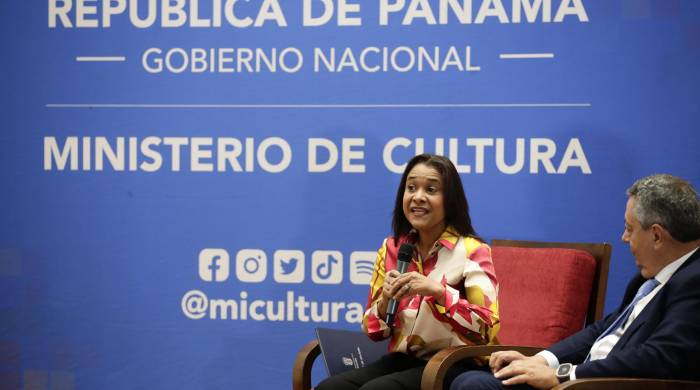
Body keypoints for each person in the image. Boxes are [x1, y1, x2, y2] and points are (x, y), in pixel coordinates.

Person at [450, 174, 700, 390]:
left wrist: (564, 374)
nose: (624, 238)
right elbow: (602, 329)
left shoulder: (694, 281)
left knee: (474, 384)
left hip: (597, 385)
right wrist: (542, 360)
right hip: (580, 380)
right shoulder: (649, 279)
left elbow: (662, 357)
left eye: (629, 228)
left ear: (656, 235)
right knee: (472, 379)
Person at [315, 154, 500, 390]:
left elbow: (486, 327)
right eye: (411, 188)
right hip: (403, 360)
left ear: (450, 200)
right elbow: (373, 330)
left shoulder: (473, 251)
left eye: (431, 190)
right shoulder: (392, 249)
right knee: (330, 388)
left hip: (454, 363)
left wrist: (439, 293)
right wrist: (385, 301)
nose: (418, 197)